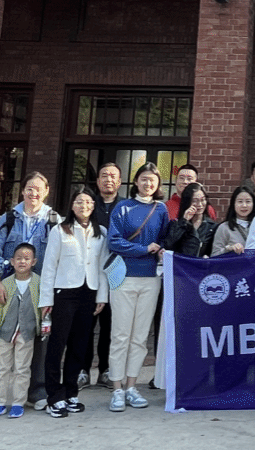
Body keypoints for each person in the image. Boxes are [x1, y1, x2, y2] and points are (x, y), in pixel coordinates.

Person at [0, 170, 59, 413]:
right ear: (22, 191)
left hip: (39, 288)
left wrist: (52, 291)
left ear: (46, 192)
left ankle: (37, 392)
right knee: (1, 338)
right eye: (29, 188)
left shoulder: (54, 220)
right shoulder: (9, 218)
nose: (34, 193)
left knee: (38, 339)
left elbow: (60, 256)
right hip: (9, 287)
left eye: (39, 189)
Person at [106, 163, 170, 412]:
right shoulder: (123, 207)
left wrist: (161, 249)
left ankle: (131, 387)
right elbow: (114, 241)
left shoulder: (161, 209)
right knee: (120, 335)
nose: (148, 184)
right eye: (144, 179)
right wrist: (143, 249)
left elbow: (164, 239)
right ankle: (116, 388)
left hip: (151, 278)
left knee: (140, 337)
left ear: (158, 184)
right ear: (136, 181)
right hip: (123, 277)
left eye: (152, 180)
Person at [39, 187, 108, 418]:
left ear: (94, 205)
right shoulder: (60, 230)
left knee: (80, 345)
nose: (83, 206)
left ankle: (71, 392)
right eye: (79, 201)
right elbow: (50, 265)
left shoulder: (101, 232)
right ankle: (54, 396)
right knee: (57, 344)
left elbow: (103, 267)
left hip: (89, 293)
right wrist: (46, 299)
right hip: (64, 292)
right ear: (71, 205)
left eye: (88, 202)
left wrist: (102, 296)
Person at [0, 243, 43, 420]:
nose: (22, 262)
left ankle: (18, 403)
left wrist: (44, 325)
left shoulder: (39, 282)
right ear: (11, 261)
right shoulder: (5, 283)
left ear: (34, 262)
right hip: (4, 333)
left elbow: (44, 307)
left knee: (22, 369)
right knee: (0, 369)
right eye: (18, 258)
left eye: (26, 258)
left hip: (26, 333)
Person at [88, 162, 124, 388]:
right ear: (98, 181)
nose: (108, 179)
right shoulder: (88, 204)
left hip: (117, 273)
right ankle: (83, 370)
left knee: (111, 326)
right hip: (89, 272)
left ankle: (106, 369)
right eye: (104, 175)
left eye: (113, 176)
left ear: (119, 182)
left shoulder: (126, 207)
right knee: (85, 324)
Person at [163, 182, 218, 257]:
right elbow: (168, 244)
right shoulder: (176, 224)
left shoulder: (212, 227)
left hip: (201, 263)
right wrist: (184, 221)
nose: (200, 204)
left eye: (202, 200)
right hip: (181, 263)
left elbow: (214, 251)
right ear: (187, 202)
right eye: (195, 201)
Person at [211, 187, 254, 256]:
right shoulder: (224, 228)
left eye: (248, 201)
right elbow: (214, 255)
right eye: (240, 201)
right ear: (233, 203)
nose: (244, 205)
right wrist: (228, 249)